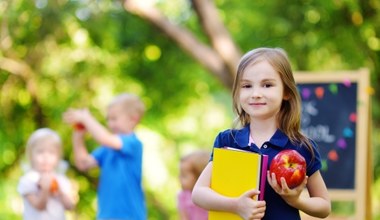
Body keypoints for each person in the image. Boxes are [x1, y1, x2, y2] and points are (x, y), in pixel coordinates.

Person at [192, 47, 331, 220]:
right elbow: (198, 193)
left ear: (286, 92)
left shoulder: (302, 146)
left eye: (267, 85)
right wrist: (235, 205)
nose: (256, 94)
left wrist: (296, 201)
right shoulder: (227, 140)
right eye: (247, 86)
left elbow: (324, 206)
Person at [63, 93, 146, 220]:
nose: (110, 124)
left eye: (114, 119)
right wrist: (78, 134)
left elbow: (104, 138)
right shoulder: (106, 149)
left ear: (132, 119)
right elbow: (83, 163)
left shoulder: (133, 144)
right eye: (108, 119)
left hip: (130, 216)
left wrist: (87, 118)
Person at [17, 128, 75, 220]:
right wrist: (45, 190)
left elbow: (70, 206)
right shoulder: (28, 179)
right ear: (31, 156)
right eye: (40, 152)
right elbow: (39, 206)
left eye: (51, 152)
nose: (46, 156)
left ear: (58, 157)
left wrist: (59, 191)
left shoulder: (61, 179)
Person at [177, 150, 209, 220]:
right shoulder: (182, 196)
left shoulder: (208, 195)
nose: (179, 178)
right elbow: (184, 217)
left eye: (184, 175)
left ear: (199, 176)